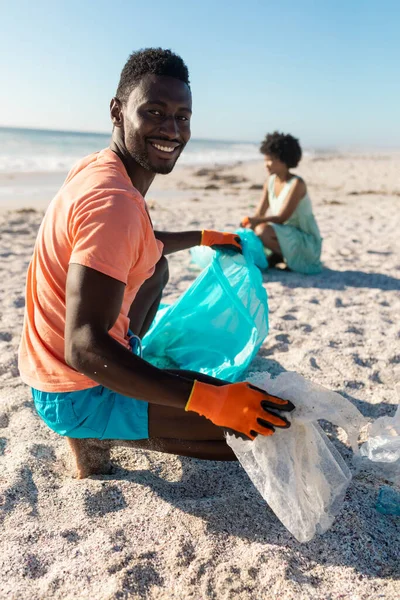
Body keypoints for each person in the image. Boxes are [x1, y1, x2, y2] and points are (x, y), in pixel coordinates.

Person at [18, 49, 294, 479]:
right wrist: (209, 400)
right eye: (154, 112)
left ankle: (123, 393)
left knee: (156, 266)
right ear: (117, 110)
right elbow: (84, 345)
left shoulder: (98, 168)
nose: (172, 129)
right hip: (77, 386)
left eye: (183, 116)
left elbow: (134, 244)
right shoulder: (115, 202)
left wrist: (204, 238)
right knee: (271, 433)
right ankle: (102, 431)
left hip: (47, 369)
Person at [241, 132, 322, 274]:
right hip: (286, 236)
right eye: (265, 159)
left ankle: (286, 258)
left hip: (305, 240)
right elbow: (259, 213)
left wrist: (255, 221)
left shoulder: (297, 183)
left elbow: (281, 218)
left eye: (270, 160)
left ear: (284, 160)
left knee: (263, 230)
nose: (266, 164)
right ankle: (278, 256)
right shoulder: (270, 182)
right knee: (255, 228)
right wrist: (250, 222)